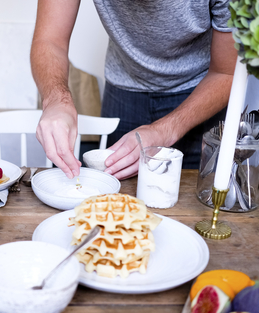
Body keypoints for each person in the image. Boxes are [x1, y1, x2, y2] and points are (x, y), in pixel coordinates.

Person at [31, 0, 238, 180]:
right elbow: (50, 39)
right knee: (117, 204)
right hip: (123, 92)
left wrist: (166, 129)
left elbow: (226, 73)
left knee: (191, 209)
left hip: (201, 96)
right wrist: (57, 100)